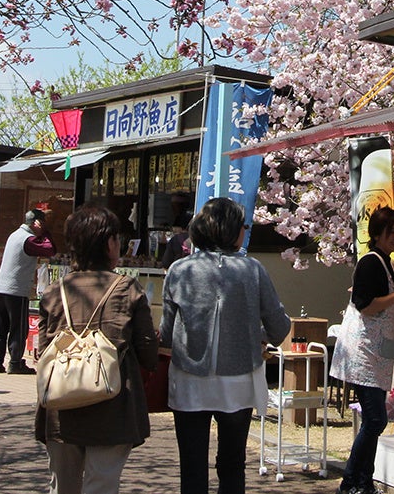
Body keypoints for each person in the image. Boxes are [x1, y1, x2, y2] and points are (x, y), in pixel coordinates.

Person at [162, 197, 290, 494]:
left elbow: (166, 335)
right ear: (231, 230)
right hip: (239, 379)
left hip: (189, 378)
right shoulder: (252, 270)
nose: (246, 231)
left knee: (192, 466)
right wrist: (254, 334)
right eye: (244, 225)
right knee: (232, 464)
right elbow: (279, 327)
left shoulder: (179, 270)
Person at [35, 205, 160, 494]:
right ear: (108, 243)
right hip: (111, 406)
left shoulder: (56, 291)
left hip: (60, 406)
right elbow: (147, 353)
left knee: (62, 486)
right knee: (101, 483)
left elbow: (44, 350)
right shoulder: (126, 289)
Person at [330, 206, 394, 494]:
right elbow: (366, 305)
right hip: (363, 353)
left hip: (377, 353)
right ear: (377, 234)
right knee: (376, 419)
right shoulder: (370, 262)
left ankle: (363, 482)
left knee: (374, 419)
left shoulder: (386, 263)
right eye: (392, 232)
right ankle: (351, 481)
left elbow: (382, 301)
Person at [0, 208, 56, 375]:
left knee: (1, 327)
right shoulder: (28, 239)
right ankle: (15, 363)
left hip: (1, 289)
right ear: (37, 223)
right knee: (18, 328)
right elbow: (50, 249)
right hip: (16, 290)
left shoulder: (14, 235)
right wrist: (46, 233)